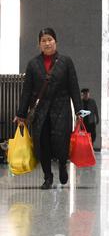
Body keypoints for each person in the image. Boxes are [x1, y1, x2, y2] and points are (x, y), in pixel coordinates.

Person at [14, 27, 83, 189]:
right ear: (39, 44)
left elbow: (74, 87)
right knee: (42, 143)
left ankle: (61, 165)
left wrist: (79, 111)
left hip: (61, 108)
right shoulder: (33, 64)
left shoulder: (66, 62)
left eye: (50, 39)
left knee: (62, 141)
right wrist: (21, 114)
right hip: (40, 111)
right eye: (43, 40)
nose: (47, 43)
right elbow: (27, 91)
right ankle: (47, 177)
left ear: (56, 42)